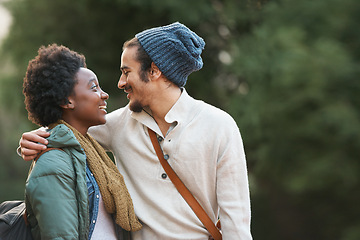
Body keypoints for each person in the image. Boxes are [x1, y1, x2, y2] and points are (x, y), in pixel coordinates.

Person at [19, 22, 252, 239]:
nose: (120, 82)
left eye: (126, 71)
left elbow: (236, 224)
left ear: (154, 71)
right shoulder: (118, 125)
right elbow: (69, 131)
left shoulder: (220, 126)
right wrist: (33, 138)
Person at [22, 44, 141, 240]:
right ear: (67, 101)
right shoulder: (54, 163)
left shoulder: (88, 151)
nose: (104, 94)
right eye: (94, 87)